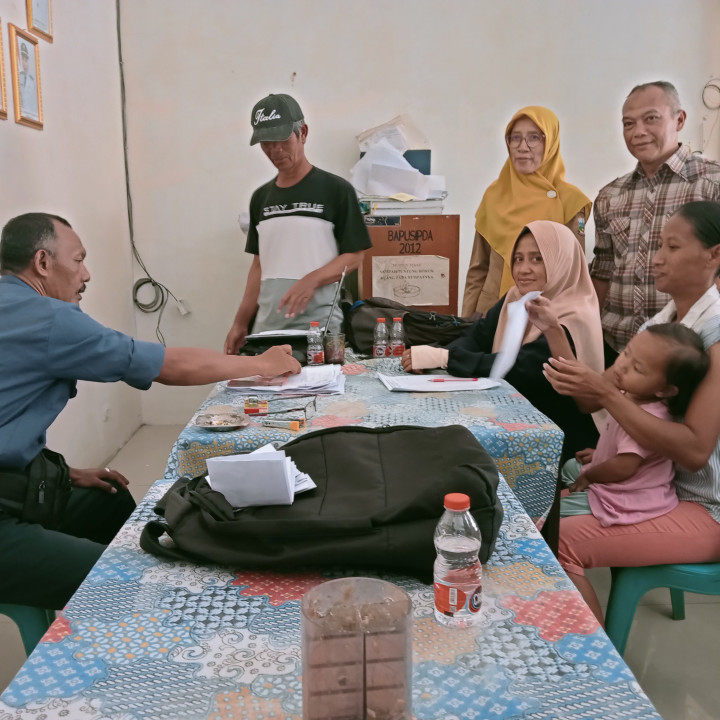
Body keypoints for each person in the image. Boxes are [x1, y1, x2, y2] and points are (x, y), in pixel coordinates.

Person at [0, 212, 301, 610]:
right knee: (134, 582)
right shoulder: (49, 319)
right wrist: (260, 364)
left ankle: (98, 616)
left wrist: (62, 472)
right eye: (78, 260)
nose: (86, 274)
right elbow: (166, 365)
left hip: (17, 483)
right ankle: (119, 621)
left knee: (107, 498)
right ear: (42, 262)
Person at [545, 200, 720, 624]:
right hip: (657, 483)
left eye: (672, 247)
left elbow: (695, 451)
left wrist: (606, 396)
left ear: (714, 255)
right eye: (658, 246)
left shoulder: (714, 335)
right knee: (556, 484)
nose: (656, 259)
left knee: (554, 540)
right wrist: (551, 327)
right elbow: (592, 397)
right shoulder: (661, 326)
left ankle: (592, 660)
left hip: (704, 504)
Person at [403, 220, 604, 458]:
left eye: (537, 259)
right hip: (507, 417)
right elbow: (477, 336)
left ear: (562, 261)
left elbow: (524, 368)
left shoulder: (574, 315)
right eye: (518, 259)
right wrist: (439, 359)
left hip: (558, 436)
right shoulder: (516, 298)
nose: (523, 269)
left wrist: (445, 358)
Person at [224, 93, 372, 354]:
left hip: (318, 333)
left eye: (282, 140)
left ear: (302, 133)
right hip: (267, 332)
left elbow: (355, 256)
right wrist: (240, 323)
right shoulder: (261, 198)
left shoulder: (336, 190)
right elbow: (259, 265)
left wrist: (312, 280)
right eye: (266, 143)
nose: (275, 150)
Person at [590, 81, 720, 364]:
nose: (638, 132)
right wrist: (588, 338)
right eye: (628, 123)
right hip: (616, 350)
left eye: (651, 118)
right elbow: (602, 273)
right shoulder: (610, 196)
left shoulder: (712, 184)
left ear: (679, 120)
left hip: (690, 355)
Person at [559, 324, 709, 526]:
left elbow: (623, 467)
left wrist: (590, 476)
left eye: (637, 368)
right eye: (626, 352)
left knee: (552, 517)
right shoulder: (632, 394)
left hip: (625, 496)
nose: (622, 365)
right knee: (570, 467)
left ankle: (582, 502)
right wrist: (600, 454)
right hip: (623, 476)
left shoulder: (647, 417)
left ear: (664, 390)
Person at [461, 106, 591, 318]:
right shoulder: (494, 196)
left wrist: (562, 326)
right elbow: (478, 268)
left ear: (550, 143)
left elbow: (572, 278)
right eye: (515, 138)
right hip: (490, 314)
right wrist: (465, 322)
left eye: (534, 138)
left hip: (543, 316)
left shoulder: (571, 201)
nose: (523, 147)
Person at [18, 42, 39, 119]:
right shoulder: (17, 78)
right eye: (23, 60)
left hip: (31, 117)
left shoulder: (32, 81)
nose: (25, 64)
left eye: (26, 60)